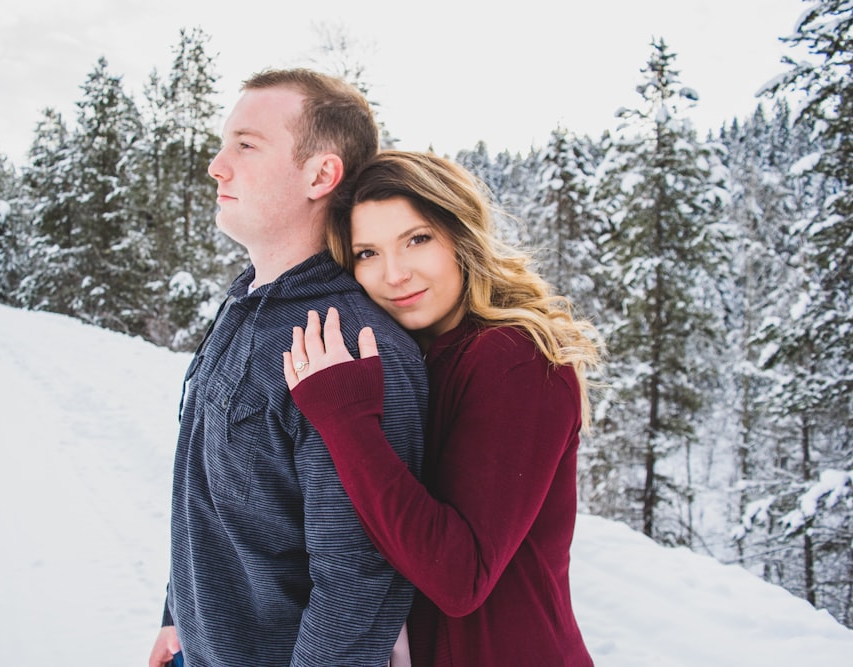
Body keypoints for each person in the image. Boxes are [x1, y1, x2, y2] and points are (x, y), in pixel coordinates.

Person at [148, 72, 428, 666]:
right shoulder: (247, 301)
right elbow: (209, 491)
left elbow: (360, 583)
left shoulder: (349, 346)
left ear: (321, 175)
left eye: (246, 145)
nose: (217, 166)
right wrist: (177, 617)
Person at [283, 150, 602, 666]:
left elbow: (460, 578)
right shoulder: (415, 357)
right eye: (367, 253)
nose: (395, 274)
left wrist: (345, 420)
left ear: (462, 236)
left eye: (417, 239)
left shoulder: (514, 359)